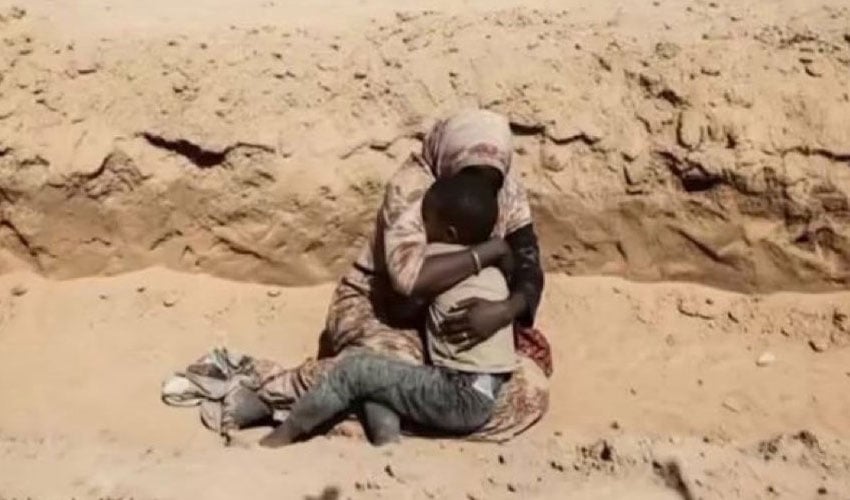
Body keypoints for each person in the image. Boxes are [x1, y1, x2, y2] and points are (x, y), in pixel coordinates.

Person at [164, 109, 552, 444]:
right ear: (449, 158)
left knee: (528, 391)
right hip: (384, 310)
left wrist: (506, 310)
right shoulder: (413, 189)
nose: (483, 185)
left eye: (491, 177)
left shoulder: (504, 186)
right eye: (472, 173)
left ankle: (365, 412)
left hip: (450, 328)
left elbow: (527, 262)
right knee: (386, 364)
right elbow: (408, 282)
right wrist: (488, 253)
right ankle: (267, 391)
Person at [259, 173, 520, 447]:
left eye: (426, 221)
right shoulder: (494, 267)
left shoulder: (439, 260)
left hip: (458, 396)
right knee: (383, 376)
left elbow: (402, 308)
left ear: (450, 234)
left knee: (355, 370)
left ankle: (284, 434)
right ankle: (386, 442)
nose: (421, 227)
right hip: (487, 390)